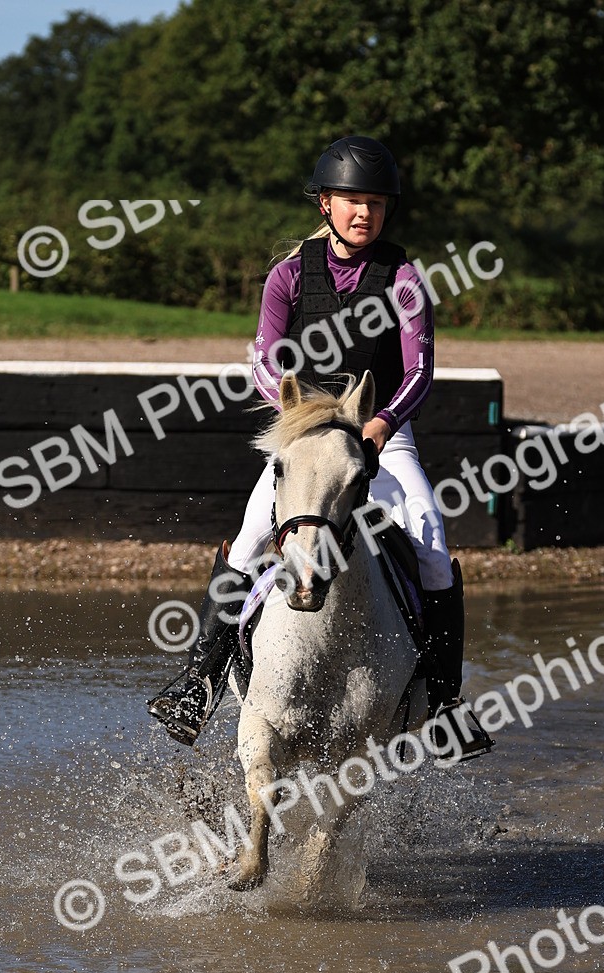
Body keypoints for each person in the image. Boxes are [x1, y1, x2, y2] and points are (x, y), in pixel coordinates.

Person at [149, 135, 482, 753]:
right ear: (325, 203)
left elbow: (420, 372)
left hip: (379, 432)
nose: (365, 213)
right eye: (352, 200)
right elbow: (264, 362)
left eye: (377, 203)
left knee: (432, 544)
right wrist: (296, 415)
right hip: (305, 432)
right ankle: (197, 688)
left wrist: (378, 426)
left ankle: (442, 703)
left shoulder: (405, 280)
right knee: (250, 540)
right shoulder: (287, 276)